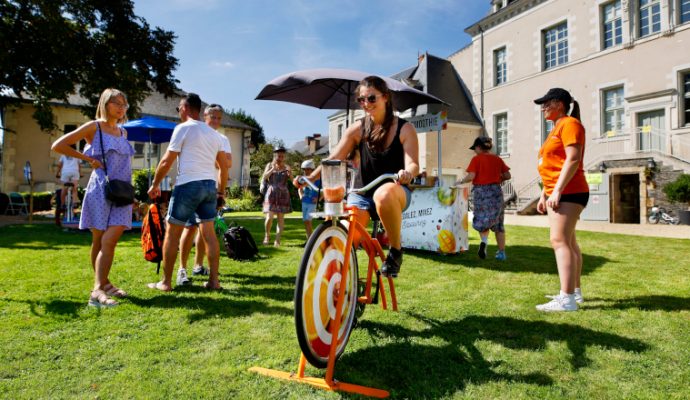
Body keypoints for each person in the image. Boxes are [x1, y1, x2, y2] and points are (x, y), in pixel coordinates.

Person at [297, 76, 419, 278]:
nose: (366, 104)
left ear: (386, 97)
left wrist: (408, 173)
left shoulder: (405, 128)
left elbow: (413, 163)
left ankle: (396, 251)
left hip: (395, 191)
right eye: (361, 100)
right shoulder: (357, 129)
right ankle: (339, 280)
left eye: (371, 98)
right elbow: (333, 158)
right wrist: (308, 178)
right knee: (344, 232)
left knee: (383, 194)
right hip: (361, 193)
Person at [51, 88, 134, 307]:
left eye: (124, 104)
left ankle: (99, 288)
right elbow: (58, 145)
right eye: (116, 102)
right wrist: (86, 158)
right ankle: (102, 285)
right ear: (105, 103)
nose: (121, 107)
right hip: (100, 190)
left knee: (110, 240)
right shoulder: (94, 127)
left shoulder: (123, 132)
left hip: (122, 191)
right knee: (99, 240)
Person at [147, 93, 229, 291]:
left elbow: (166, 160)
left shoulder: (182, 128)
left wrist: (155, 184)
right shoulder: (214, 134)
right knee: (209, 234)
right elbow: (224, 167)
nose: (179, 113)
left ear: (185, 108)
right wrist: (221, 192)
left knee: (172, 233)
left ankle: (165, 282)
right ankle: (214, 282)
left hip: (188, 185)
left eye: (178, 109)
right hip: (209, 186)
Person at [533, 87, 589, 312]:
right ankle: (574, 293)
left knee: (559, 241)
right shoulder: (557, 127)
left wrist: (556, 191)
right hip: (560, 190)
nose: (543, 108)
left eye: (546, 103)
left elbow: (573, 159)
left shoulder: (570, 124)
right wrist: (544, 193)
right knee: (570, 242)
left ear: (559, 103)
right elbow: (552, 165)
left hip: (569, 191)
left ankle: (566, 299)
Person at [177, 104, 232, 286]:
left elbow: (227, 164)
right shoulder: (194, 132)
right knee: (190, 227)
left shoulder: (221, 138)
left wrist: (220, 191)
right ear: (204, 116)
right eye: (212, 117)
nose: (215, 121)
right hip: (193, 184)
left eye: (219, 118)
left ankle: (198, 266)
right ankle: (182, 269)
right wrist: (215, 160)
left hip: (210, 187)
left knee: (205, 230)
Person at [458, 136, 511, 260]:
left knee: (482, 219)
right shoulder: (497, 159)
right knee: (499, 224)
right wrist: (498, 179)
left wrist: (461, 181)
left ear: (478, 147)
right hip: (496, 192)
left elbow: (471, 176)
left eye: (474, 148)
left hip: (481, 192)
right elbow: (507, 175)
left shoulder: (476, 159)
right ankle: (501, 253)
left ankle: (484, 242)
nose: (474, 151)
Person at [261, 147, 292, 246]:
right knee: (269, 217)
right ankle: (267, 235)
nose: (280, 158)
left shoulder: (287, 167)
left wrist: (290, 174)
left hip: (283, 194)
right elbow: (264, 177)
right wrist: (272, 170)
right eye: (279, 156)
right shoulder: (269, 165)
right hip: (271, 193)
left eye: (282, 156)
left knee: (280, 218)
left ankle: (277, 240)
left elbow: (292, 180)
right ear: (275, 156)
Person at [293, 159, 320, 242]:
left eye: (308, 169)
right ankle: (308, 240)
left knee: (308, 220)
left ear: (312, 169)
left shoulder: (317, 179)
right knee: (305, 221)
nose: (306, 171)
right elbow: (299, 188)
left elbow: (322, 191)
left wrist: (318, 198)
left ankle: (311, 240)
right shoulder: (303, 179)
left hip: (312, 203)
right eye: (304, 169)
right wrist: (301, 195)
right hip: (304, 202)